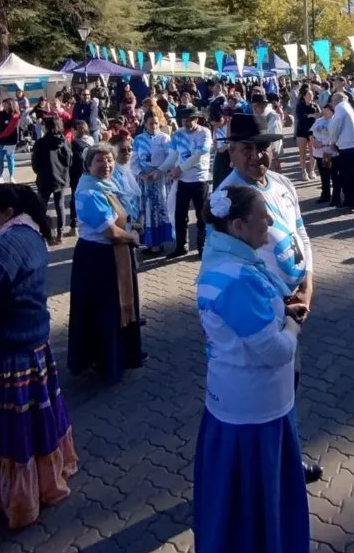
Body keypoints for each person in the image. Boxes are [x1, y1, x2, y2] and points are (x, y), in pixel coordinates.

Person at [193, 185, 309, 553]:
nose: (271, 222)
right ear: (239, 226)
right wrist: (293, 325)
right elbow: (275, 351)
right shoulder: (240, 278)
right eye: (264, 216)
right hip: (254, 411)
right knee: (257, 507)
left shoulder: (227, 259)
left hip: (240, 400)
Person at [216, 113, 321, 485]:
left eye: (262, 148)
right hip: (263, 310)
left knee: (289, 385)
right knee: (265, 395)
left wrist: (307, 282)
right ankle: (267, 469)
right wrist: (283, 299)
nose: (257, 156)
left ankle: (284, 458)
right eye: (247, 148)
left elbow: (301, 234)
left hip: (295, 305)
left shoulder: (281, 182)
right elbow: (231, 265)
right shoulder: (227, 200)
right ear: (230, 152)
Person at [0, 184, 78, 529]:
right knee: (36, 418)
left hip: (15, 347)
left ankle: (21, 497)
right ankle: (41, 481)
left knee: (15, 427)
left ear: (6, 213)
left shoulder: (8, 245)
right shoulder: (22, 234)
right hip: (29, 341)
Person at [67, 143, 145, 383]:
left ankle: (125, 355)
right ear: (89, 165)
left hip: (115, 255)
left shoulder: (107, 186)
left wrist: (133, 226)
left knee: (121, 306)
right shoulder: (89, 193)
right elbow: (109, 232)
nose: (107, 165)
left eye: (110, 160)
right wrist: (132, 237)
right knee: (106, 311)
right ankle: (106, 362)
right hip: (98, 260)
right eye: (100, 161)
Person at [168, 106, 211, 259]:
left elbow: (198, 155)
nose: (186, 122)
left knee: (201, 215)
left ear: (196, 119)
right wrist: (161, 170)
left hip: (199, 179)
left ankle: (202, 246)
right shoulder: (177, 134)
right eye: (184, 119)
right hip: (183, 181)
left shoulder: (204, 132)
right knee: (180, 214)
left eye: (190, 119)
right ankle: (181, 246)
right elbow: (173, 155)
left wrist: (179, 169)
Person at [132, 112, 175, 253]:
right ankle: (149, 243)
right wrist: (142, 174)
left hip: (160, 179)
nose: (154, 126)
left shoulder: (164, 138)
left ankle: (160, 241)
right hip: (145, 180)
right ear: (144, 124)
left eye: (156, 123)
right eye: (151, 123)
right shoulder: (138, 140)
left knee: (160, 209)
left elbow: (171, 158)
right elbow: (134, 161)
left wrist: (161, 171)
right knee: (146, 211)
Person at [32, 116, 72, 243]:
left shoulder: (41, 143)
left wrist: (39, 172)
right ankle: (60, 233)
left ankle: (43, 233)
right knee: (60, 206)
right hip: (61, 178)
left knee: (41, 207)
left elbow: (35, 162)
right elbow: (69, 161)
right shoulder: (64, 141)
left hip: (44, 178)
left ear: (47, 127)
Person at [327, 90, 354, 212]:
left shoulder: (340, 108)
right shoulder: (346, 107)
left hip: (348, 146)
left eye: (331, 102)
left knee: (352, 176)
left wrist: (332, 141)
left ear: (335, 101)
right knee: (346, 176)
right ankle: (349, 200)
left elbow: (335, 126)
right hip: (347, 145)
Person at [310, 104, 335, 205]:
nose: (324, 112)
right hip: (318, 152)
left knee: (329, 174)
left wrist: (322, 144)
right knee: (323, 174)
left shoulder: (334, 121)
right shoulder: (319, 121)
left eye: (327, 111)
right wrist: (314, 141)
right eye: (323, 111)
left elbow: (334, 137)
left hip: (327, 152)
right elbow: (311, 132)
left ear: (332, 111)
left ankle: (332, 195)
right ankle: (325, 195)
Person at [293, 88, 319, 182]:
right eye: (308, 95)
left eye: (311, 95)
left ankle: (312, 171)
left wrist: (318, 115)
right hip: (301, 131)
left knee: (313, 151)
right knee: (302, 152)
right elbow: (299, 116)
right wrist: (310, 115)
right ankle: (303, 171)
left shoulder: (315, 105)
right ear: (304, 96)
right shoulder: (300, 105)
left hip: (312, 131)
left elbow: (319, 115)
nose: (310, 96)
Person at [0, 99, 21, 183]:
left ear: (10, 105)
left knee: (10, 158)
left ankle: (11, 177)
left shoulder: (15, 115)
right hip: (0, 140)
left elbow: (9, 129)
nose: (4, 106)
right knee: (0, 158)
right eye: (3, 104)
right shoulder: (0, 114)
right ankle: (0, 176)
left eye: (5, 104)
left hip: (10, 140)